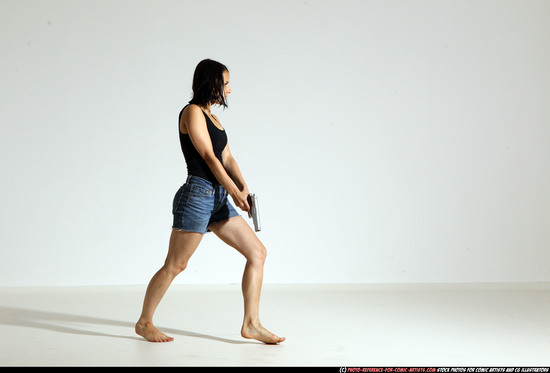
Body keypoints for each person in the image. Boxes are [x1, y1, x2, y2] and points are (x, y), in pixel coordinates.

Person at [135, 59, 284, 344]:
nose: (229, 90)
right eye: (225, 83)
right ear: (211, 83)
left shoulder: (214, 118)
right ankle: (144, 323)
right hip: (197, 195)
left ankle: (251, 324)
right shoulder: (191, 113)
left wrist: (243, 188)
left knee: (257, 253)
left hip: (217, 198)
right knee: (176, 265)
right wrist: (234, 192)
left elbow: (227, 158)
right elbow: (209, 158)